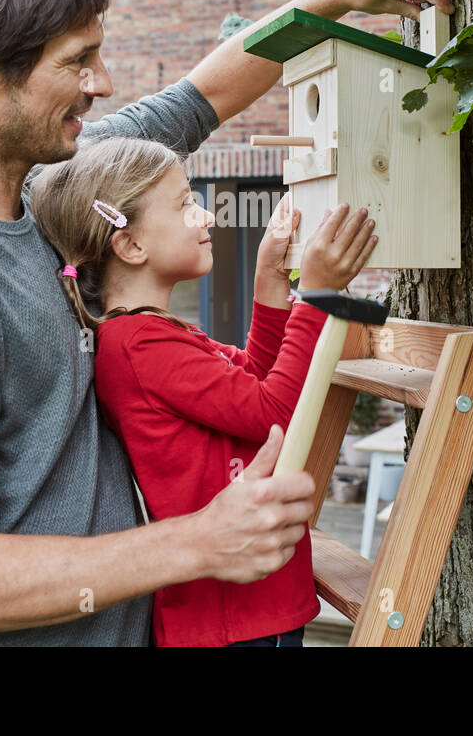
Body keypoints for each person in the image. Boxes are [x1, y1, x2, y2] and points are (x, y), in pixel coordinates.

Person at [0, 0, 454, 646]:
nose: (104, 83)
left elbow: (200, 97)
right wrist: (200, 542)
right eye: (78, 61)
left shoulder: (54, 186)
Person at [29, 137, 376, 646]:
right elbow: (274, 411)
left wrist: (268, 287)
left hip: (247, 609)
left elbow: (256, 383)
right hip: (235, 618)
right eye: (187, 204)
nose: (208, 217)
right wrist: (318, 295)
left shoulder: (158, 334)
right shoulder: (139, 345)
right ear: (130, 245)